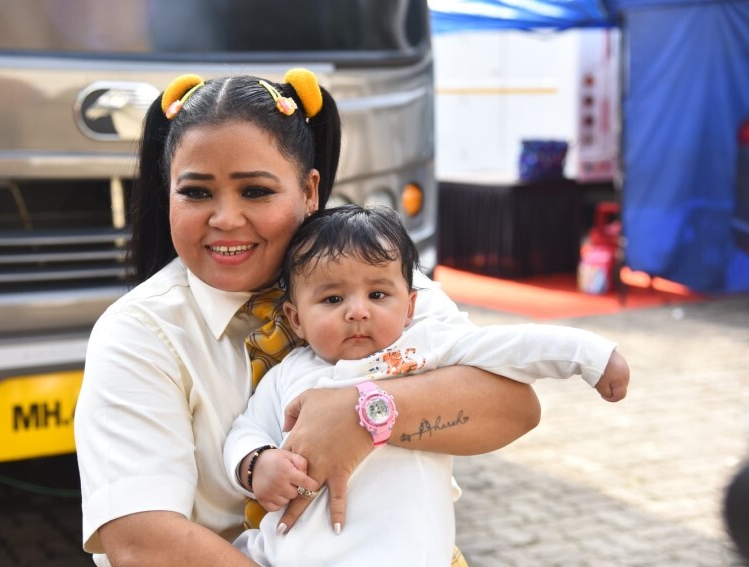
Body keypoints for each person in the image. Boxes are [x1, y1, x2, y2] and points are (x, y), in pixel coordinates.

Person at [74, 68, 544, 567]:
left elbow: (513, 408)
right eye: (196, 192)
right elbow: (140, 539)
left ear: (310, 190)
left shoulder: (374, 281)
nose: (226, 218)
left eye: (254, 191)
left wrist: (367, 414)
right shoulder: (139, 334)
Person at [224, 205, 630, 566]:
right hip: (293, 554)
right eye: (332, 300)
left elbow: (509, 346)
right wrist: (256, 464)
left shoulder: (424, 349)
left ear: (410, 307)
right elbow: (246, 430)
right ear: (295, 318)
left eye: (378, 293)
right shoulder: (287, 375)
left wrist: (591, 356)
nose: (358, 312)